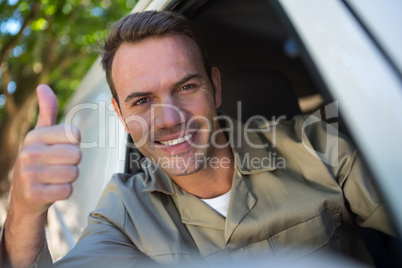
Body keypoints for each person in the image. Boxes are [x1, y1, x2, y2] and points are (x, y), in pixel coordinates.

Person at [0, 10, 395, 268]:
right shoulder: (123, 214)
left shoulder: (318, 149)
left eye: (186, 87)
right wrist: (24, 210)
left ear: (215, 88)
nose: (169, 119)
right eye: (142, 101)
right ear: (120, 116)